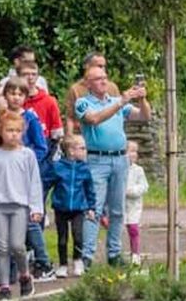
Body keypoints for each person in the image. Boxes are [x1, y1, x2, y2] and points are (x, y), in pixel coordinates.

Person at [73, 63, 149, 267]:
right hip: (97, 159)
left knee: (117, 209)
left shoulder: (116, 102)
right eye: (98, 78)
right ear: (88, 83)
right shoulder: (83, 103)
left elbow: (144, 116)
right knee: (94, 209)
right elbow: (94, 119)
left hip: (119, 159)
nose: (104, 81)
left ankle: (114, 253)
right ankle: (87, 255)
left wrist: (142, 100)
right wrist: (122, 101)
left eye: (105, 77)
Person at [0, 113, 43, 301]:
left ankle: (24, 275)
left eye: (17, 131)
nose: (14, 134)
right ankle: (4, 285)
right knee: (2, 247)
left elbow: (34, 183)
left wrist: (36, 207)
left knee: (17, 245)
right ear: (0, 131)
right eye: (9, 130)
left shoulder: (27, 155)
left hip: (19, 206)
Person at [49, 134, 97, 276]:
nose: (85, 151)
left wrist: (91, 207)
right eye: (82, 148)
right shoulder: (58, 167)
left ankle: (78, 260)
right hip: (60, 208)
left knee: (78, 236)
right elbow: (48, 182)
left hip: (78, 208)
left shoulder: (85, 169)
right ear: (71, 150)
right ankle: (63, 264)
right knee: (62, 238)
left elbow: (90, 189)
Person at [123, 139, 147, 265]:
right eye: (131, 151)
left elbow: (144, 186)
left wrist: (132, 191)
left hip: (134, 205)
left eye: (135, 152)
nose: (134, 154)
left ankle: (136, 253)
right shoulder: (119, 169)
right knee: (117, 229)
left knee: (133, 228)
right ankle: (116, 253)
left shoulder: (139, 170)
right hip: (121, 205)